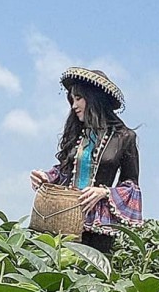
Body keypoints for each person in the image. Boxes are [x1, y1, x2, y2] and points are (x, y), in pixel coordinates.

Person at [29, 66, 142, 255]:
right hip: (63, 217)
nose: (74, 105)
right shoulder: (77, 135)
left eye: (78, 98)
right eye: (72, 100)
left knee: (92, 277)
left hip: (98, 226)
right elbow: (64, 171)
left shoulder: (125, 137)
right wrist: (45, 176)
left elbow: (132, 185)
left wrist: (103, 192)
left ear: (95, 98)